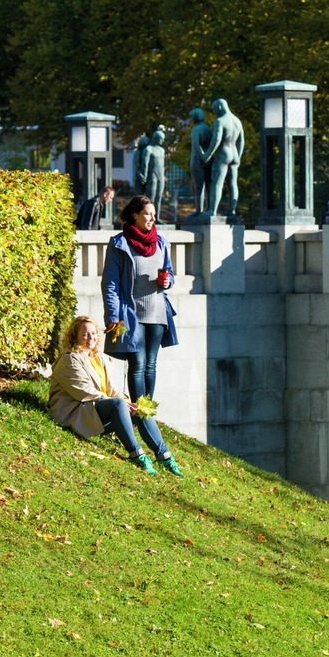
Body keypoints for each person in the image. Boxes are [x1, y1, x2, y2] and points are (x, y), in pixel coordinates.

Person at [101, 195, 183, 476]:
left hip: (157, 315)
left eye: (153, 214)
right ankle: (142, 413)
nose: (151, 218)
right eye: (147, 213)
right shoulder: (119, 243)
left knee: (151, 365)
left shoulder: (161, 242)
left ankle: (143, 412)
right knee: (137, 365)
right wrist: (113, 316)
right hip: (131, 315)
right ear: (134, 215)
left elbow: (170, 273)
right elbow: (110, 284)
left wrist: (167, 280)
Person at [48, 315, 167, 474]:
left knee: (140, 409)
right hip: (76, 411)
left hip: (97, 408)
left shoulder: (99, 358)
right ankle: (137, 454)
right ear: (75, 337)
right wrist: (120, 403)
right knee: (117, 404)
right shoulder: (69, 359)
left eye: (93, 333)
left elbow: (111, 389)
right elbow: (84, 392)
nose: (90, 337)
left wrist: (127, 402)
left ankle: (164, 456)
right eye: (85, 334)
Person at [205, 99, 245, 219]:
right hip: (234, 153)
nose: (214, 112)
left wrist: (208, 154)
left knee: (217, 182)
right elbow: (242, 140)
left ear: (220, 107)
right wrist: (239, 155)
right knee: (233, 184)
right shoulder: (237, 121)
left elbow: (216, 140)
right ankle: (231, 211)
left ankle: (212, 211)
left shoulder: (220, 121)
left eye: (214, 109)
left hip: (223, 153)